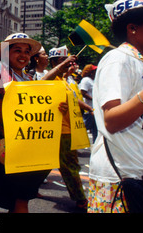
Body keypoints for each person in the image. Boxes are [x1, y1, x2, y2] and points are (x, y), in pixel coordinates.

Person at [0, 0, 62, 213]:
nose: (23, 55)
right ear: (5, 53)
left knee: (21, 200)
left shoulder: (30, 78)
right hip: (0, 146)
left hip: (27, 147)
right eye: (16, 50)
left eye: (27, 51)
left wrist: (58, 108)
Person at [88, 2, 143, 213]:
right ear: (132, 28)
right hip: (119, 179)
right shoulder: (117, 60)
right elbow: (111, 120)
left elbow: (138, 112)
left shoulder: (139, 62)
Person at [47, 46, 91, 211]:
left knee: (55, 163)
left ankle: (29, 189)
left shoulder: (65, 81)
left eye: (66, 60)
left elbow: (75, 100)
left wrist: (91, 109)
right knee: (69, 165)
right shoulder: (51, 79)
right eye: (60, 60)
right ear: (53, 63)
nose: (66, 64)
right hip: (60, 131)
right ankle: (80, 198)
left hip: (70, 128)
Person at [79, 64, 98, 142]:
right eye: (94, 70)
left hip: (95, 108)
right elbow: (83, 92)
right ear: (90, 72)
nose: (95, 72)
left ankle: (95, 143)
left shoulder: (93, 80)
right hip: (89, 108)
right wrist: (94, 99)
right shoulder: (86, 80)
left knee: (95, 128)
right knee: (85, 126)